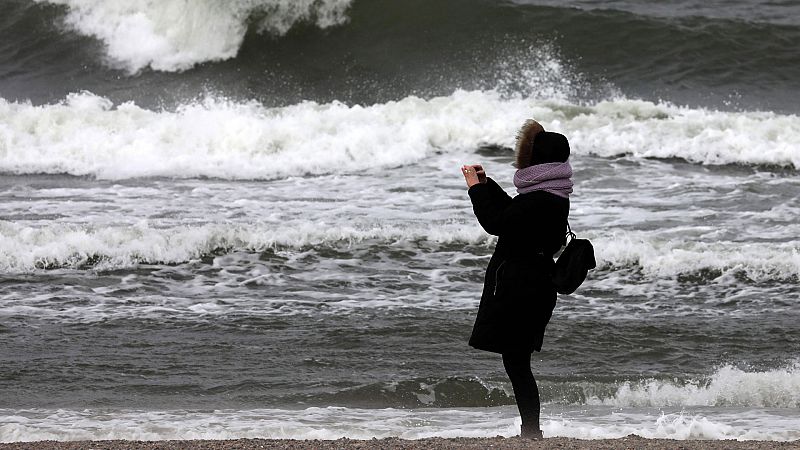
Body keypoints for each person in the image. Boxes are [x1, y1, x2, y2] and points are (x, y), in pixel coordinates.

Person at [460, 119, 572, 440]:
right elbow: (513, 215)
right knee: (517, 361)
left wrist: (476, 188)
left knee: (518, 364)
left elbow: (497, 222)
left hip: (523, 288)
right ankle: (531, 431)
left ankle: (532, 432)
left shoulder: (538, 199)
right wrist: (488, 183)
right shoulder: (554, 193)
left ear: (539, 160)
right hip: (535, 285)